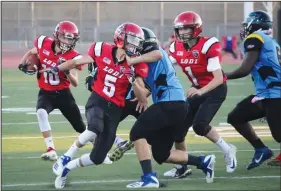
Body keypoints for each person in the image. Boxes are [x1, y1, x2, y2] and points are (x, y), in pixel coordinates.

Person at [41, 23, 149, 189]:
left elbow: (142, 98)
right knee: (94, 128)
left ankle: (67, 168)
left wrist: (133, 80)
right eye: (132, 40)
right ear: (121, 39)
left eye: (137, 41)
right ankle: (66, 157)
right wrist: (56, 68)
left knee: (97, 158)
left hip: (115, 108)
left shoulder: (137, 64)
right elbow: (75, 61)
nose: (135, 45)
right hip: (97, 100)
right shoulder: (102, 49)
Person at [125, 27, 216, 188]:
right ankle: (203, 161)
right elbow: (149, 86)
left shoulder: (155, 53)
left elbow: (157, 54)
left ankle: (148, 178)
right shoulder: (150, 61)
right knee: (161, 154)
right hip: (176, 106)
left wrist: (131, 61)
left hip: (170, 104)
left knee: (136, 133)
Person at [164, 11, 237, 177]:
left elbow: (218, 78)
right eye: (179, 29)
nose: (182, 33)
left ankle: (228, 150)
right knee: (178, 130)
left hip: (214, 89)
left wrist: (200, 91)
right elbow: (165, 68)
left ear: (196, 29)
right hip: (197, 90)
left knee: (199, 126)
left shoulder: (208, 45)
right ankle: (182, 167)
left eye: (186, 29)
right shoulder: (176, 47)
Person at [18, 21, 86, 161]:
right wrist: (22, 62)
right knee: (41, 112)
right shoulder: (44, 43)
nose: (67, 41)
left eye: (70, 39)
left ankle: (97, 143)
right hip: (46, 92)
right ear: (56, 36)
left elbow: (75, 83)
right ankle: (51, 149)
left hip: (63, 94)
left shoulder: (73, 56)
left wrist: (66, 71)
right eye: (64, 37)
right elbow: (32, 52)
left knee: (80, 127)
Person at [226, 10, 281, 169]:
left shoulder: (255, 38)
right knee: (236, 117)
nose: (244, 29)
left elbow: (245, 69)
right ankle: (261, 149)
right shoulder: (270, 41)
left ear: (255, 24)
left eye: (246, 25)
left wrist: (222, 76)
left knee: (278, 135)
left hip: (275, 94)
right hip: (266, 94)